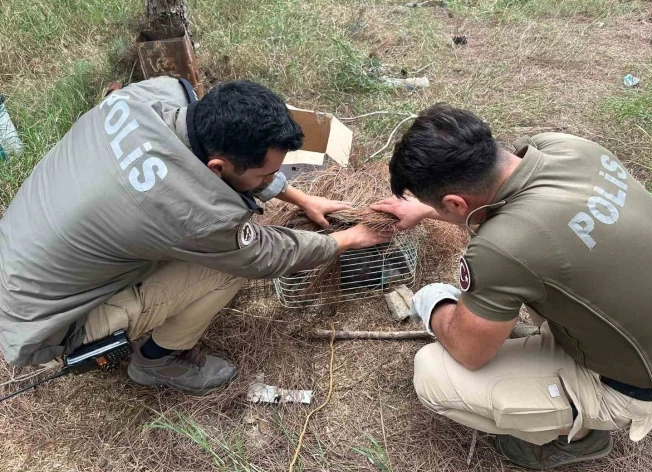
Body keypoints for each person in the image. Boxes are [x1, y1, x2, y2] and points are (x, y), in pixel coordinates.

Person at [0, 77, 388, 395]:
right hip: (45, 327)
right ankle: (157, 361)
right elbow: (263, 254)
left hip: (21, 264)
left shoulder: (152, 95)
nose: (272, 182)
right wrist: (349, 239)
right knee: (229, 269)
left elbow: (215, 163)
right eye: (265, 178)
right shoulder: (191, 213)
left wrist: (299, 197)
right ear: (217, 168)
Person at [373, 104, 652, 469]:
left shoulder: (505, 248)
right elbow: (509, 203)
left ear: (455, 202)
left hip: (631, 384)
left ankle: (574, 438)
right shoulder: (565, 147)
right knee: (530, 284)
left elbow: (469, 351)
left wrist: (434, 305)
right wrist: (429, 209)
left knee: (434, 373)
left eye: (442, 208)